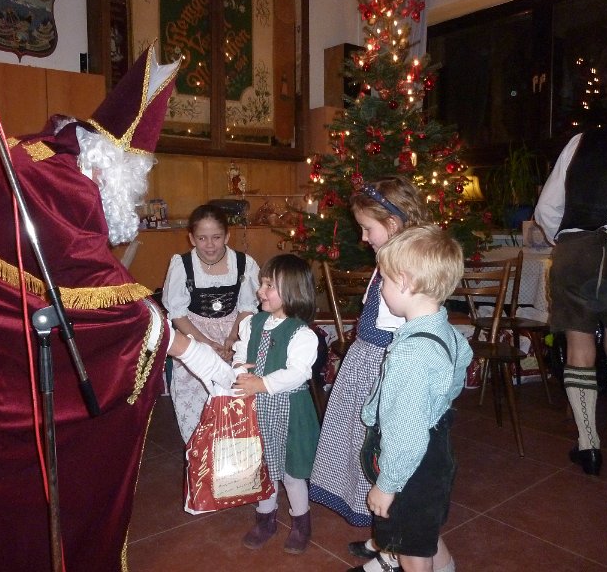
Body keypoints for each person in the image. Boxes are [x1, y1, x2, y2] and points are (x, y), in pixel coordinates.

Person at [0, 45, 231, 572]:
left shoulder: (52, 155)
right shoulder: (66, 184)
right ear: (114, 162)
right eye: (139, 172)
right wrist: (195, 353)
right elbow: (108, 305)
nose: (139, 190)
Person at [534, 30, 607, 476]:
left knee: (579, 344)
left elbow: (547, 210)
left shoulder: (580, 142)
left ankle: (588, 447)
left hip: (577, 250)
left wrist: (564, 240)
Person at [310, 176, 430, 567]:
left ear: (392, 225)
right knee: (365, 454)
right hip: (366, 366)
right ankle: (384, 538)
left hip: (383, 372)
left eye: (367, 228)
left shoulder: (405, 270)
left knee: (380, 455)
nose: (362, 238)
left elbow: (406, 333)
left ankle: (393, 550)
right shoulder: (389, 263)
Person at [356, 225, 472, 572]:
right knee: (424, 531)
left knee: (408, 546)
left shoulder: (411, 354)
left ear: (405, 283)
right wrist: (436, 404)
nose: (381, 288)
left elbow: (405, 435)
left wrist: (387, 485)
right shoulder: (446, 331)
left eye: (384, 281)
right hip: (436, 450)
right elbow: (461, 366)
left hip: (410, 468)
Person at [230, 253, 319, 555]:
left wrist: (262, 383)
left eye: (269, 285)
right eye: (262, 284)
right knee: (261, 467)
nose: (260, 291)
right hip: (257, 410)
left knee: (292, 472)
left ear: (292, 291)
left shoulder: (302, 334)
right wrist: (240, 369)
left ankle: (301, 522)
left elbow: (298, 372)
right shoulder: (253, 323)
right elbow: (241, 353)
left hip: (289, 411)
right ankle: (265, 518)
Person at [162, 203, 260, 442]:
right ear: (191, 238)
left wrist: (233, 338)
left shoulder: (244, 264)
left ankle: (233, 446)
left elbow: (247, 307)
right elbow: (177, 313)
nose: (209, 245)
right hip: (194, 334)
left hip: (235, 332)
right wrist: (205, 343)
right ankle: (199, 448)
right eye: (202, 238)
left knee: (234, 393)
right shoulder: (182, 265)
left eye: (216, 237)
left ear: (227, 236)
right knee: (195, 395)